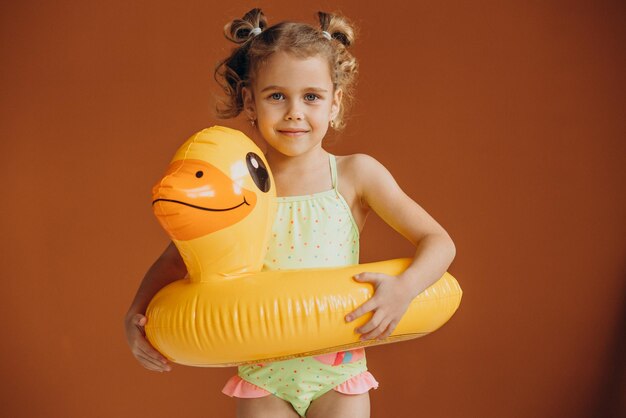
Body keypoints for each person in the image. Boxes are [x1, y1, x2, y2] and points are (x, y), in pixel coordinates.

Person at [124, 8, 456, 418]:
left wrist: (404, 289)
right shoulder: (239, 183)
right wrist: (136, 316)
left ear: (335, 103)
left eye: (311, 97)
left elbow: (439, 242)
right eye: (277, 95)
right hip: (263, 377)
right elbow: (177, 258)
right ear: (250, 101)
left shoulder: (355, 174)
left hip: (338, 376)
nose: (294, 111)